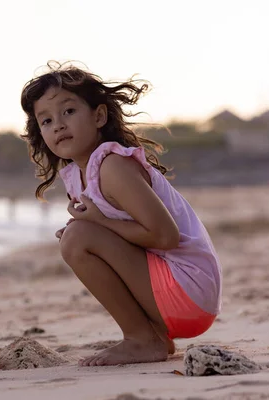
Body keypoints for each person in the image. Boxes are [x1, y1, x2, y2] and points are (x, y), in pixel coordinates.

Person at [20, 62, 222, 366]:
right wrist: (91, 232)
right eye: (46, 120)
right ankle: (153, 336)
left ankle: (142, 340)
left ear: (99, 116)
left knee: (76, 239)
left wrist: (94, 226)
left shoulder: (112, 166)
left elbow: (165, 236)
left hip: (189, 290)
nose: (58, 125)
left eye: (69, 112)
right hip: (175, 298)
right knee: (76, 238)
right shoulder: (79, 175)